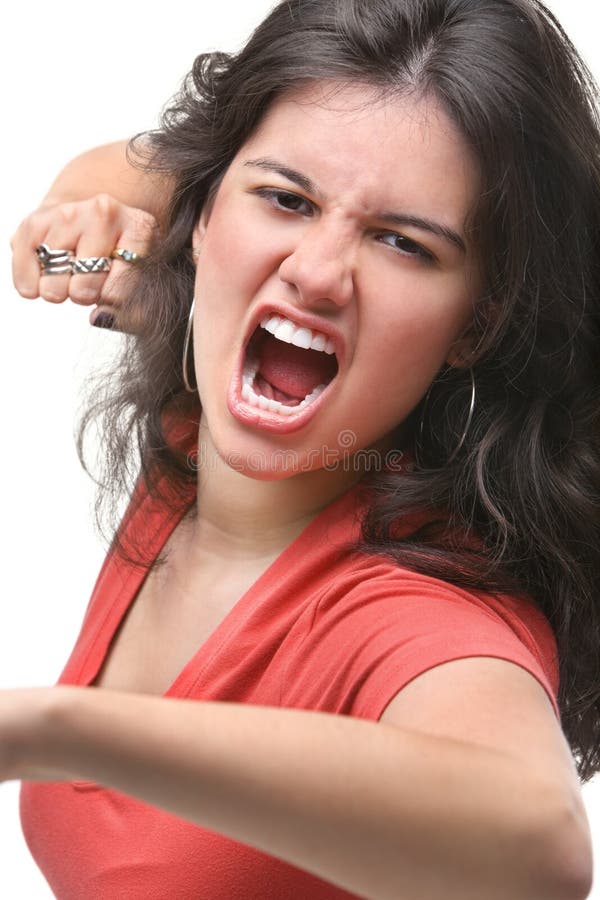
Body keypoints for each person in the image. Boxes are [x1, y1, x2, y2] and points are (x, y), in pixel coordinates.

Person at [8, 0, 599, 897]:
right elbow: (126, 176)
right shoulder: (194, 438)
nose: (318, 272)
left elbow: (542, 852)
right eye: (287, 201)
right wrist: (70, 229)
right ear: (199, 220)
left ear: (476, 325)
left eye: (403, 243)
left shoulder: (413, 608)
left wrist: (54, 731)